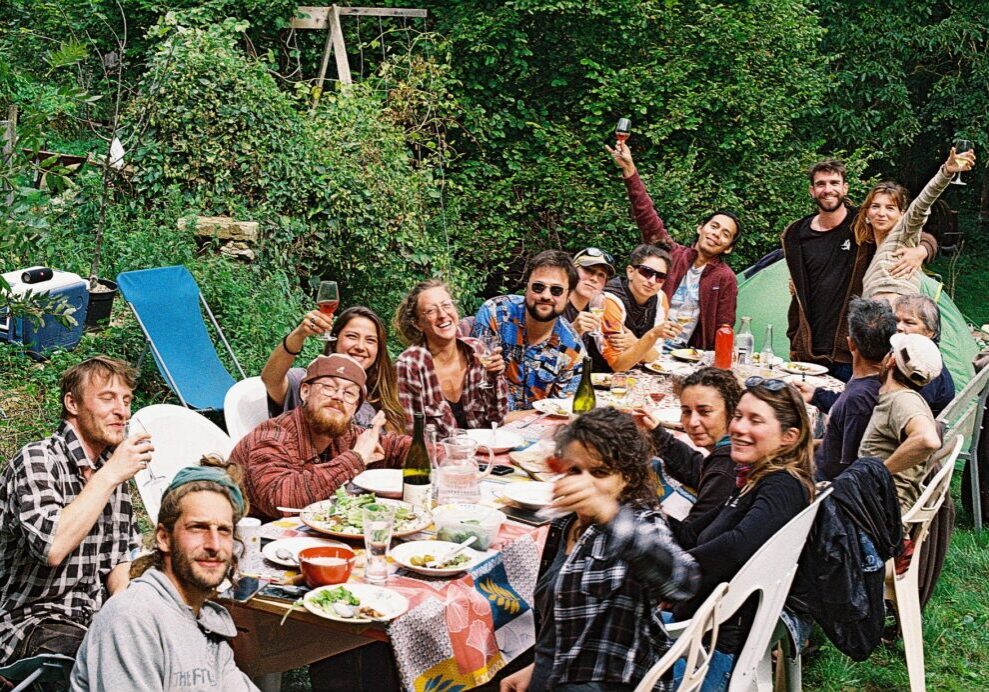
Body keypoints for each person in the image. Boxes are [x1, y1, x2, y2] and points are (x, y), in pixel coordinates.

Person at [500, 407, 699, 692]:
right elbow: (567, 622)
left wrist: (610, 514)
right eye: (574, 470)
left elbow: (683, 581)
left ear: (628, 477)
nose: (585, 482)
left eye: (600, 472)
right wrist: (540, 667)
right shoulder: (565, 523)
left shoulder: (639, 522)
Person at [649, 377, 815, 689]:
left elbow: (735, 548)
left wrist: (666, 575)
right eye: (738, 416)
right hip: (699, 631)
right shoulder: (753, 479)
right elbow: (693, 534)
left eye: (755, 420)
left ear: (789, 437)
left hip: (706, 647)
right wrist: (638, 513)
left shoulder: (783, 485)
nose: (738, 428)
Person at [0, 357, 145, 665]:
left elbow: (121, 556)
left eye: (127, 400)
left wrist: (124, 609)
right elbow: (52, 547)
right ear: (73, 404)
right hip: (26, 621)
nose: (123, 410)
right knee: (105, 663)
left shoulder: (110, 471)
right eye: (108, 398)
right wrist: (110, 476)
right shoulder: (37, 460)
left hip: (90, 619)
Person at [70, 461, 258, 691]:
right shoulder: (132, 619)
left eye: (224, 530)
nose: (214, 544)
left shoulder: (205, 621)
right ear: (164, 538)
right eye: (198, 528)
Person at [782, 159, 938, 381]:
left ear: (845, 188)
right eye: (821, 184)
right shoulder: (796, 233)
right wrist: (795, 338)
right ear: (812, 190)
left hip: (852, 349)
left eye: (834, 183)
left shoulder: (863, 223)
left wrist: (922, 250)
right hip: (809, 349)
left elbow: (911, 231)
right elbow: (799, 291)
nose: (828, 190)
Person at [230, 353, 411, 520]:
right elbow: (281, 501)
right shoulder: (272, 437)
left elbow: (398, 447)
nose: (338, 396)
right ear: (305, 392)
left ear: (355, 408)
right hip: (253, 540)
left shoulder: (346, 435)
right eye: (328, 387)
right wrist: (355, 459)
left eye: (349, 393)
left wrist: (436, 456)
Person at [607, 142, 741, 350]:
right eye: (714, 226)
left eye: (726, 234)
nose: (717, 234)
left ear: (728, 247)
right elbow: (646, 216)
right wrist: (629, 171)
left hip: (687, 353)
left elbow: (724, 326)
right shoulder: (672, 254)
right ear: (700, 228)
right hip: (645, 344)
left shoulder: (725, 278)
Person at [795, 298, 896, 481]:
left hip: (821, 486)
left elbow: (845, 465)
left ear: (851, 344)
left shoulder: (859, 399)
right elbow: (837, 444)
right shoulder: (878, 382)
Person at [260, 305, 405, 433]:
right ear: (334, 340)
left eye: (370, 340)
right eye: (352, 336)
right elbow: (271, 379)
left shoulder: (382, 394)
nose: (360, 346)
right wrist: (299, 334)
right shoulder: (310, 381)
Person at [471, 250, 585, 411]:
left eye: (556, 290)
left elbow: (564, 412)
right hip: (485, 423)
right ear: (527, 288)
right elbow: (472, 380)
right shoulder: (496, 313)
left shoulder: (573, 351)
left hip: (539, 430)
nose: (546, 296)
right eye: (538, 287)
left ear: (568, 296)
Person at [859, 147, 976, 303]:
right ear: (866, 212)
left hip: (902, 314)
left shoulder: (903, 234)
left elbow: (922, 204)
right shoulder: (861, 244)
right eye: (875, 206)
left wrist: (946, 173)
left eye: (890, 208)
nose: (881, 213)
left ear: (902, 214)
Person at [394, 279, 507, 436]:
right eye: (431, 311)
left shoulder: (477, 350)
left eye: (446, 305)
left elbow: (497, 419)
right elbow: (414, 437)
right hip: (440, 457)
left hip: (485, 451)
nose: (442, 315)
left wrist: (494, 378)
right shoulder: (409, 366)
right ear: (418, 323)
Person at [644, 367, 742, 539]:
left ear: (732, 411)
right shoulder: (726, 454)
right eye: (686, 412)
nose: (693, 422)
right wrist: (656, 432)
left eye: (705, 411)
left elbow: (690, 536)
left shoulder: (728, 466)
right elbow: (700, 471)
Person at [858, 332, 943, 516]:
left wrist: (882, 471)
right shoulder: (900, 397)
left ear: (891, 361)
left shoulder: (903, 401)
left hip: (879, 512)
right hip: (875, 503)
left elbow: (928, 440)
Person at [600, 244, 682, 372]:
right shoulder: (609, 300)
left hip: (634, 374)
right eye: (646, 272)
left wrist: (634, 342)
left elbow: (655, 356)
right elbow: (618, 365)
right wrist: (652, 336)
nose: (652, 281)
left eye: (660, 277)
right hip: (600, 375)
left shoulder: (660, 297)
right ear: (630, 272)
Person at [893, 294, 955, 416]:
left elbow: (908, 414)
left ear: (929, 332)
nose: (898, 327)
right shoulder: (911, 355)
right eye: (896, 320)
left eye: (909, 322)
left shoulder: (925, 368)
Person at [562, 247, 622, 371]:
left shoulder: (597, 307)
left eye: (601, 275)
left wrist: (628, 341)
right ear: (572, 272)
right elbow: (537, 355)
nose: (594, 278)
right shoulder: (555, 304)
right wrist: (573, 331)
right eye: (588, 270)